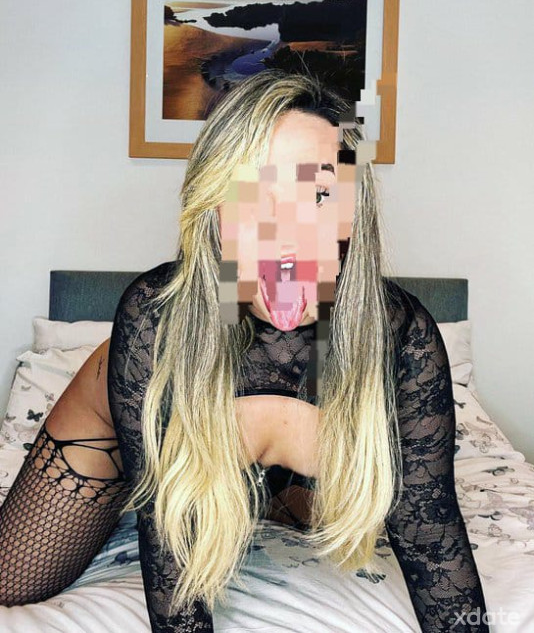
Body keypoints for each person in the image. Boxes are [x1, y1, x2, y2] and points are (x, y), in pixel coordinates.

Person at [0, 69, 490, 633]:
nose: (287, 231)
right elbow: (170, 549)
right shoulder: (154, 319)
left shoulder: (403, 334)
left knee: (341, 490)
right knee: (12, 582)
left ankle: (268, 474)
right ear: (214, 211)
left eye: (319, 194)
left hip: (293, 415)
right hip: (118, 414)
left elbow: (431, 537)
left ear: (353, 213)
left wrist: (289, 432)